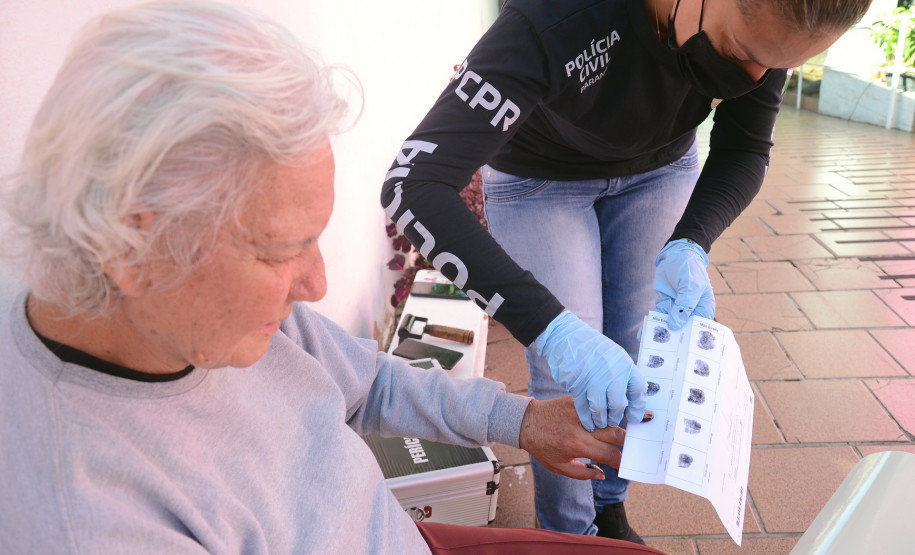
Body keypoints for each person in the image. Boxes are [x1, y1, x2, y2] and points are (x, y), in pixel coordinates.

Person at [0, 2, 668, 553]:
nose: (315, 285)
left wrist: (521, 420)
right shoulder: (95, 519)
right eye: (277, 252)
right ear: (128, 245)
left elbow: (365, 381)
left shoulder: (202, 314)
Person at [381, 0, 873, 542]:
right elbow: (412, 185)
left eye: (777, 67)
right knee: (567, 376)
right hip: (540, 180)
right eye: (739, 52)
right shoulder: (554, 19)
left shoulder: (771, 26)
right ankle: (569, 535)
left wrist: (692, 240)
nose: (753, 79)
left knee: (638, 354)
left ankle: (609, 506)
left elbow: (746, 147)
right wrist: (552, 328)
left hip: (660, 170)